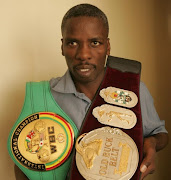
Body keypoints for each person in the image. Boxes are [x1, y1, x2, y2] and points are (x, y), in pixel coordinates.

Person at [14, 3, 168, 180]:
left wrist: (152, 143)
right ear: (62, 46)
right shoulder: (42, 96)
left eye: (95, 42)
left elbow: (159, 133)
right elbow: (24, 161)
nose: (84, 54)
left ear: (107, 47)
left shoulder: (133, 89)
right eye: (73, 43)